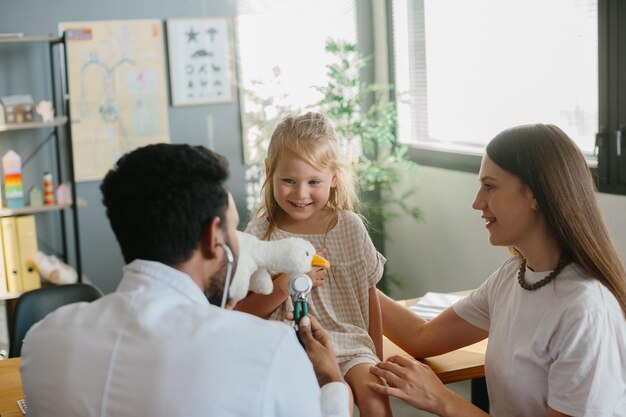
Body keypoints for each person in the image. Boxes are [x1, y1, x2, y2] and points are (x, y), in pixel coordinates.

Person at [20, 143, 351, 417]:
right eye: (233, 230)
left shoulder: (43, 341)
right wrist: (332, 381)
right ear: (213, 237)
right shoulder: (269, 350)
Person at [369, 124, 626, 417]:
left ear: (536, 195)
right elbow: (421, 336)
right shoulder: (513, 275)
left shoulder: (586, 311)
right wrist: (354, 276)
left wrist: (443, 400)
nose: (477, 202)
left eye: (489, 186)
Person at [235, 112, 393, 417]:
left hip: (351, 344)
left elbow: (370, 293)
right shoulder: (259, 234)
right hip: (288, 348)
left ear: (334, 177)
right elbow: (241, 313)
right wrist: (283, 287)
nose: (301, 193)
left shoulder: (349, 227)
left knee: (375, 397)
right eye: (289, 181)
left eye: (313, 181)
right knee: (337, 399)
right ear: (270, 172)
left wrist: (376, 357)